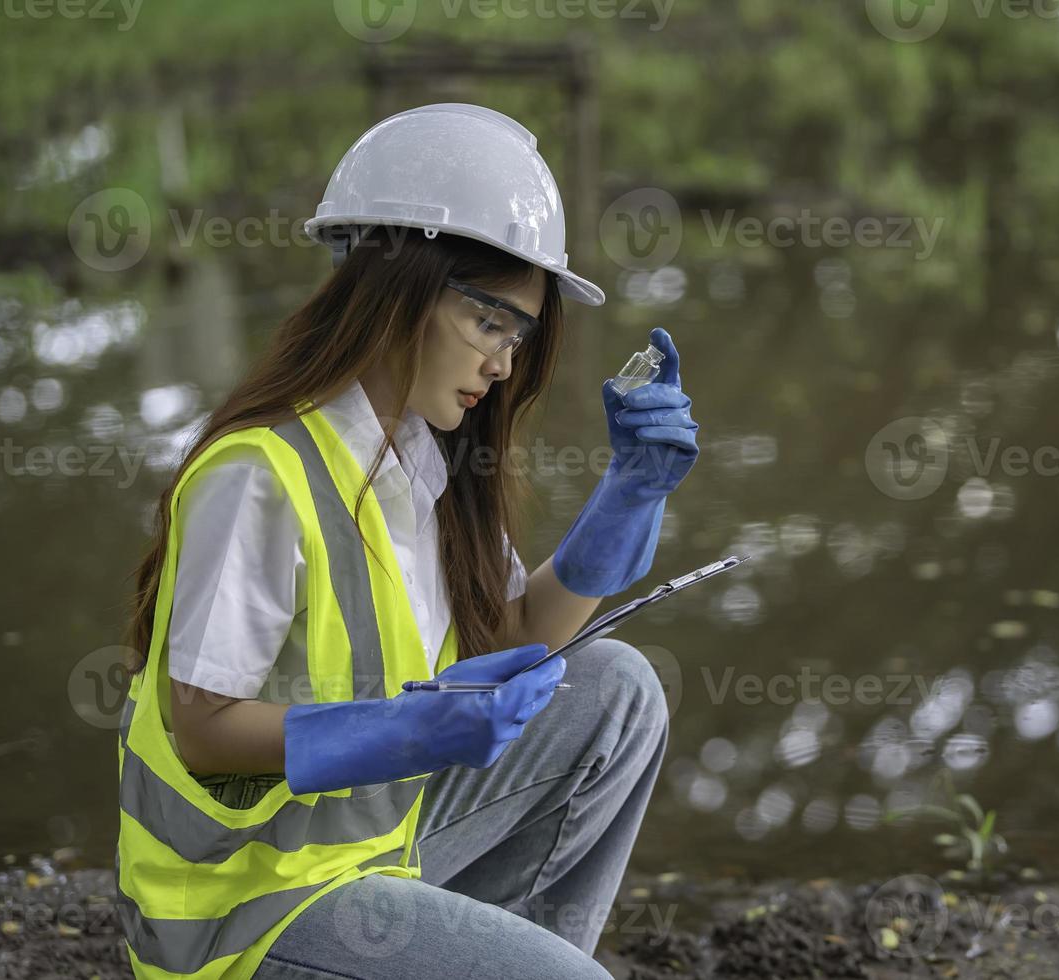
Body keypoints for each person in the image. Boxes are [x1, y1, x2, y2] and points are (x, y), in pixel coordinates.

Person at [114, 103, 699, 979]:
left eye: (520, 335)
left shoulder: (424, 461)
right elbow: (199, 730)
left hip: (370, 845)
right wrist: (408, 730)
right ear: (397, 285)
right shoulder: (261, 475)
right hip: (244, 911)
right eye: (488, 323)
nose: (504, 363)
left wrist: (626, 498)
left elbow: (506, 644)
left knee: (615, 687)